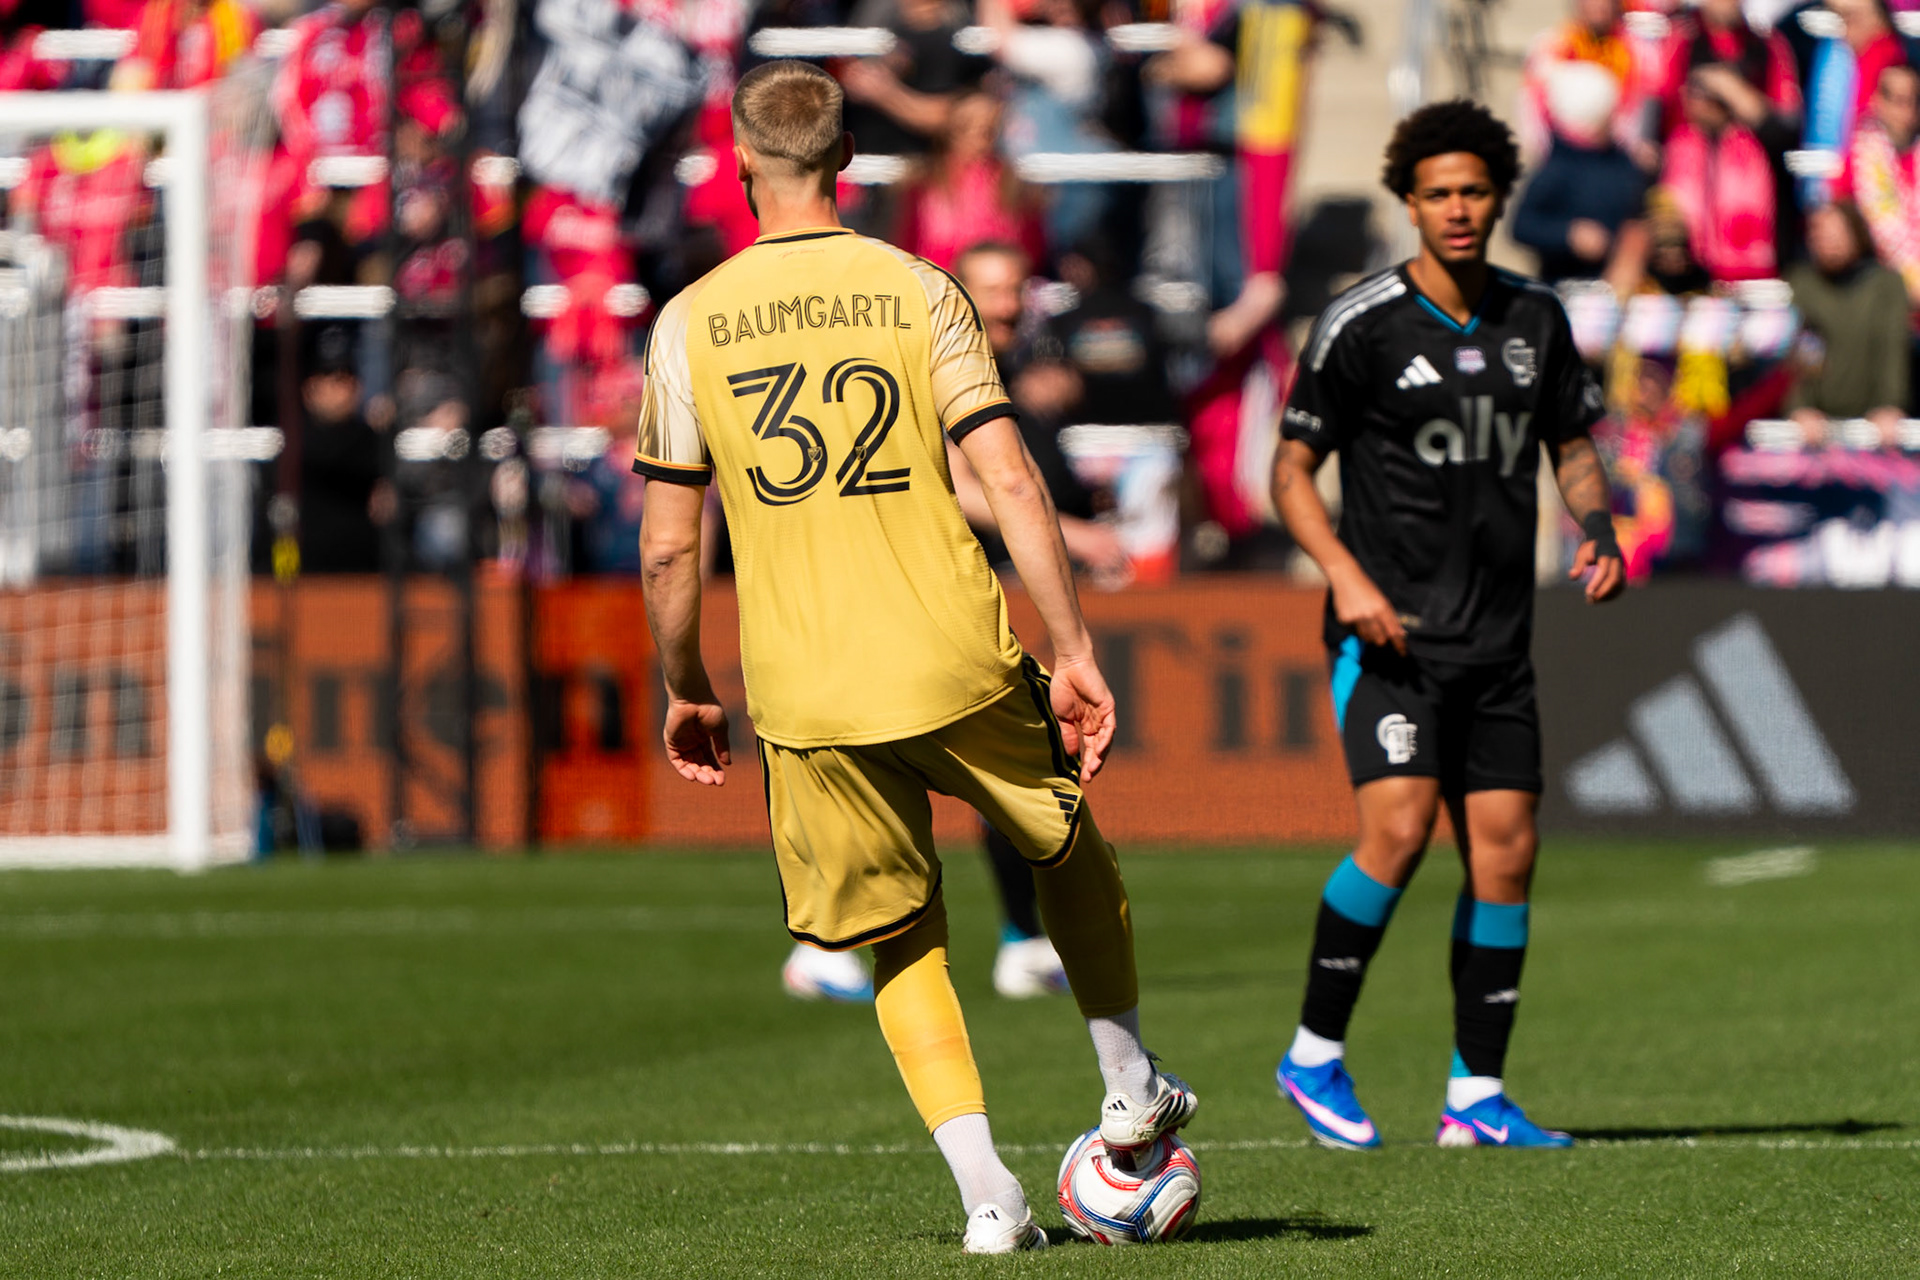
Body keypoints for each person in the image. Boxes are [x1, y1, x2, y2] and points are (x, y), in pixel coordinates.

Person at [633, 61, 1195, 1253]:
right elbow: (1006, 474)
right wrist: (1074, 643)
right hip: (950, 647)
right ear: (848, 166)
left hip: (802, 683)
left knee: (900, 934)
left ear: (740, 170)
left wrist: (685, 684)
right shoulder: (916, 289)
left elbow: (670, 547)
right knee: (1063, 841)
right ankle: (1128, 1081)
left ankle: (989, 1197)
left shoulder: (688, 321)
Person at [1269, 100, 1624, 1151]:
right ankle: (1313, 1053)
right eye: (1439, 193)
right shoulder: (1361, 322)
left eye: (1474, 190)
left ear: (1498, 196)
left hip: (1498, 643)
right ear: (1410, 203)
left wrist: (1597, 523)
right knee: (1399, 828)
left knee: (1507, 856)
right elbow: (1288, 473)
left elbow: (1573, 442)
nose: (1459, 208)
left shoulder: (1536, 319)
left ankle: (1476, 1095)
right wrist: (1346, 577)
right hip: (1389, 639)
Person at [1784, 201, 1910, 445]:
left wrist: (1890, 405)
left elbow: (1892, 349)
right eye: (1818, 234)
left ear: (1856, 234)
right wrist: (1800, 407)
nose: (1826, 241)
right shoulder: (1804, 285)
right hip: (1817, 424)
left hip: (1875, 423)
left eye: (1835, 233)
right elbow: (1803, 351)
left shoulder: (1886, 285)